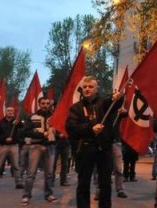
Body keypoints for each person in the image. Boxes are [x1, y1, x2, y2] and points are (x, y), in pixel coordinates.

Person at [66, 76, 123, 208]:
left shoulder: (104, 103)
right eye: (85, 87)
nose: (87, 89)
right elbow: (70, 127)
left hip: (104, 148)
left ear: (97, 89)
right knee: (83, 183)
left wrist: (118, 98)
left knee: (105, 183)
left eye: (91, 87)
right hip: (85, 148)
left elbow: (114, 103)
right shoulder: (76, 108)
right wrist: (90, 129)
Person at [20, 97, 58, 206]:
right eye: (43, 103)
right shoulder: (32, 117)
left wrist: (59, 136)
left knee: (49, 173)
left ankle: (49, 194)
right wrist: (41, 135)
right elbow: (25, 132)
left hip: (50, 146)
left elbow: (60, 130)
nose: (45, 105)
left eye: (47, 103)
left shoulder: (55, 116)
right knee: (31, 173)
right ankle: (26, 195)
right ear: (39, 104)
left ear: (50, 104)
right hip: (36, 146)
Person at [0, 106, 24, 191]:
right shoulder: (0, 123)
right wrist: (5, 139)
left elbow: (22, 130)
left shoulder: (16, 123)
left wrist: (19, 123)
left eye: (11, 111)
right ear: (5, 112)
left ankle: (18, 183)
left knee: (15, 165)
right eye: (8, 111)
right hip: (3, 146)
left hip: (14, 145)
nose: (10, 112)